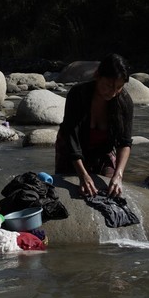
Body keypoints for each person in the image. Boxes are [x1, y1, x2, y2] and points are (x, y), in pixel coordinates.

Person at [55, 53, 133, 198]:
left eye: (119, 87)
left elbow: (125, 142)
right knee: (69, 190)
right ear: (97, 76)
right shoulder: (78, 94)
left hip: (103, 152)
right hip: (71, 149)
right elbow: (70, 135)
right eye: (109, 86)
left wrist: (119, 175)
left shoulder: (124, 101)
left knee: (111, 190)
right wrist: (82, 175)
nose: (113, 92)